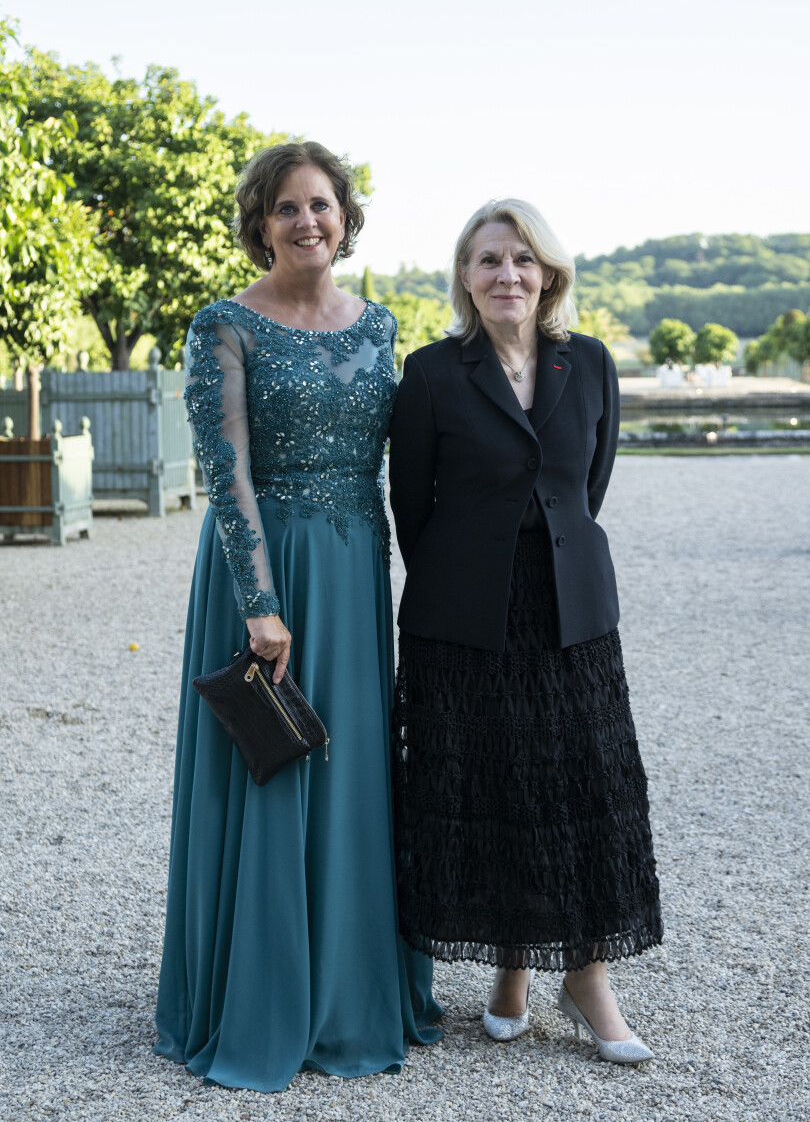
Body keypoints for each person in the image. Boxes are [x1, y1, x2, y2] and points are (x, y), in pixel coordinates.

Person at [153, 141, 442, 1092]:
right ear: (260, 222)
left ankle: (352, 990)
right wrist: (261, 605)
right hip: (266, 567)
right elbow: (224, 468)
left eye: (321, 204)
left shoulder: (383, 322)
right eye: (286, 207)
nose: (307, 220)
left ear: (346, 218)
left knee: (355, 765)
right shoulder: (223, 324)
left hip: (356, 566)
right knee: (273, 766)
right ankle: (259, 992)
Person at [388, 199, 662, 1064]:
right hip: (465, 619)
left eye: (521, 260)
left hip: (571, 611)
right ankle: (511, 967)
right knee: (493, 789)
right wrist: (473, 573)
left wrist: (553, 557)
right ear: (465, 278)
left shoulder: (592, 363)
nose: (506, 275)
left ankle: (586, 975)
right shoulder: (431, 372)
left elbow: (589, 483)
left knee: (578, 789)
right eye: (487, 261)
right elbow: (412, 508)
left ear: (548, 274)